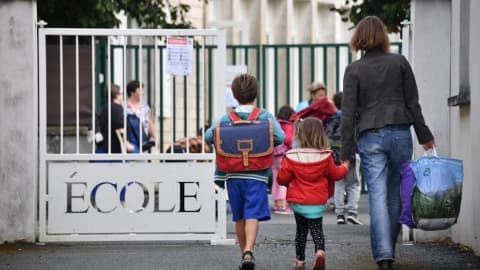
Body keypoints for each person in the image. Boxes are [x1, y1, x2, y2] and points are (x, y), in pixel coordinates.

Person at [340, 16, 435, 270]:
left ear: (359, 38)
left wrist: (346, 153)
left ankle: (384, 257)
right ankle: (387, 250)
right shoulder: (400, 63)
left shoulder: (354, 70)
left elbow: (348, 114)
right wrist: (424, 135)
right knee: (395, 195)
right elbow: (412, 103)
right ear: (382, 36)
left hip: (371, 136)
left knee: (378, 197)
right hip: (401, 133)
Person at [204, 74, 285, 270]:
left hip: (232, 173)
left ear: (234, 94)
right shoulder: (264, 115)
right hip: (257, 172)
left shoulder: (226, 118)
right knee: (252, 214)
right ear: (256, 93)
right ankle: (249, 250)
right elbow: (280, 137)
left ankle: (244, 254)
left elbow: (208, 136)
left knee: (239, 216)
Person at [277, 117, 348, 270]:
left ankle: (300, 260)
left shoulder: (292, 156)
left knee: (301, 232)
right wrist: (345, 166)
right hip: (317, 201)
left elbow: (282, 178)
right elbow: (336, 174)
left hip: (298, 201)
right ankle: (320, 251)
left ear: (300, 135)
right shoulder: (326, 156)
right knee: (317, 230)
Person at [326, 92, 362, 225]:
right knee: (354, 183)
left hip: (336, 154)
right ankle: (352, 212)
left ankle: (339, 214)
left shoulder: (331, 119)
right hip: (353, 152)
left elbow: (328, 136)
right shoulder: (355, 118)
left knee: (339, 184)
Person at [271, 105, 295, 214]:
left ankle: (276, 203)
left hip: (273, 155)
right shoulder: (288, 125)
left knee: (276, 179)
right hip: (283, 155)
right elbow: (288, 139)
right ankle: (282, 204)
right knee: (284, 180)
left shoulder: (275, 124)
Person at [97, 84, 134, 153]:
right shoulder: (116, 108)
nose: (123, 96)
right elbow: (119, 126)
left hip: (105, 147)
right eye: (122, 94)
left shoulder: (105, 107)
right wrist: (126, 143)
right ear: (117, 95)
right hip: (115, 149)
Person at [125, 80, 156, 153]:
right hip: (129, 143)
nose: (143, 93)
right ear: (132, 92)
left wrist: (155, 139)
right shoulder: (123, 107)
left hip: (143, 143)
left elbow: (150, 123)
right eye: (140, 90)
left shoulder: (145, 107)